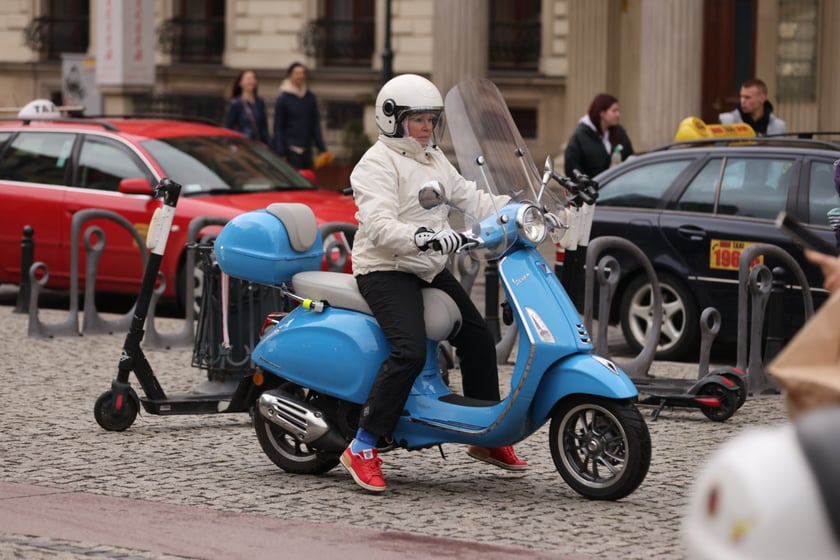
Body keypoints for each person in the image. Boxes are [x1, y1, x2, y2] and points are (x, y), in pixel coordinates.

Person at [342, 73, 528, 492]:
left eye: (432, 120)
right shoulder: (374, 165)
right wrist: (424, 237)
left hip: (425, 265)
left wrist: (517, 210)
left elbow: (468, 195)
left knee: (479, 337)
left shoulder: (433, 159)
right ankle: (363, 444)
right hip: (385, 268)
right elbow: (379, 225)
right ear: (393, 120)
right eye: (419, 120)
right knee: (407, 351)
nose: (427, 128)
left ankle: (488, 436)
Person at [564, 93, 634, 179]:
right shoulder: (580, 137)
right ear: (602, 113)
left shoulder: (619, 132)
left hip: (618, 187)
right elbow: (572, 168)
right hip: (591, 190)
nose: (618, 114)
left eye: (618, 111)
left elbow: (630, 157)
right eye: (614, 111)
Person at [273, 62, 327, 170]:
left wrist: (322, 149)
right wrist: (280, 151)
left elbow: (315, 124)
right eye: (297, 73)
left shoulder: (310, 97)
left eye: (302, 73)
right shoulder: (283, 98)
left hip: (307, 149)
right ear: (290, 75)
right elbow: (278, 127)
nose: (300, 76)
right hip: (290, 149)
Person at [718, 78, 786, 136]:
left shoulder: (778, 126)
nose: (742, 101)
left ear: (762, 98)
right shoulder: (727, 122)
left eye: (747, 97)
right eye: (741, 96)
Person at [224, 69, 270, 145]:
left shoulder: (260, 102)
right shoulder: (236, 103)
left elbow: (264, 128)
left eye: (253, 78)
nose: (251, 81)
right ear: (240, 83)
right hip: (244, 145)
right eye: (248, 79)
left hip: (258, 146)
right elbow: (229, 127)